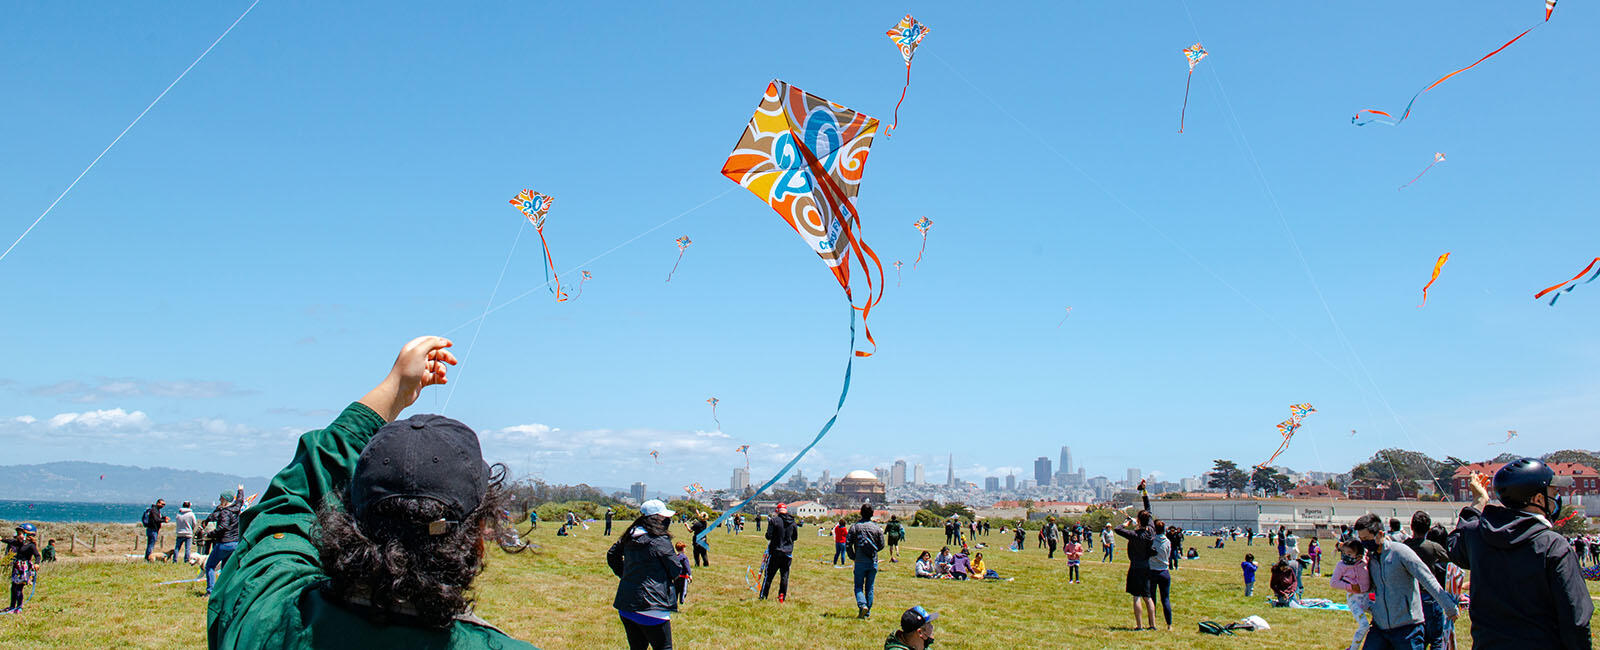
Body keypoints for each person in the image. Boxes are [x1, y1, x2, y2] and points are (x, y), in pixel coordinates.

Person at [205, 336, 536, 648]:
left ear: (346, 523)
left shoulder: (267, 621)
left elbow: (284, 510)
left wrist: (393, 390)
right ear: (478, 541)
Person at [1448, 462, 1593, 649]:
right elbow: (1576, 620)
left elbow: (1454, 545)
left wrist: (1478, 502)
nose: (1557, 497)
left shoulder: (1477, 536)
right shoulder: (1553, 545)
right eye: (1553, 492)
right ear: (1539, 499)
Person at [1355, 512, 1458, 650]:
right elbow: (1370, 587)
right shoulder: (1371, 559)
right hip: (1380, 627)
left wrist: (1449, 607)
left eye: (1367, 538)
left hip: (1408, 628)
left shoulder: (1401, 552)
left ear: (1380, 534)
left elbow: (1427, 579)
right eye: (1361, 539)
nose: (1365, 543)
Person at [609, 499, 679, 650]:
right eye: (664, 517)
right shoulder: (659, 540)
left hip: (627, 604)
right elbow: (675, 569)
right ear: (656, 519)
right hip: (652, 607)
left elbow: (612, 555)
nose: (668, 520)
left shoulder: (630, 535)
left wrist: (626, 575)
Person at [1403, 511, 1451, 650]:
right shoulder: (1432, 547)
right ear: (1428, 529)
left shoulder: (1405, 546)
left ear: (1411, 526)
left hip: (1411, 597)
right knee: (1436, 639)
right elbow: (1450, 557)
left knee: (1417, 638)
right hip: (1429, 596)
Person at [1113, 481, 1157, 630]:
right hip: (1147, 566)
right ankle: (1153, 625)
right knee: (1148, 597)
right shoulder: (1151, 531)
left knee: (1136, 597)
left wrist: (1127, 524)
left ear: (1138, 520)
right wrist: (1144, 492)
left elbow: (1117, 529)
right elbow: (1148, 508)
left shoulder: (1133, 534)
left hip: (1135, 567)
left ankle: (1139, 626)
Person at [201, 485, 244, 595]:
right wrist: (240, 490)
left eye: (221, 498)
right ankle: (225, 591)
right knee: (225, 568)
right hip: (235, 543)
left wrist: (210, 534)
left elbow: (223, 527)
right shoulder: (236, 509)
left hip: (225, 543)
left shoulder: (225, 512)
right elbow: (239, 501)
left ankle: (210, 591)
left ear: (225, 499)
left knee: (210, 566)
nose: (219, 500)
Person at [1332, 540, 1372, 650]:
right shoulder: (1341, 566)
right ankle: (1353, 648)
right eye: (1344, 553)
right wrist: (1350, 587)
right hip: (1354, 600)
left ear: (1358, 556)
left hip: (1367, 598)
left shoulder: (1364, 563)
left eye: (1349, 554)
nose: (1345, 556)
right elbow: (1333, 582)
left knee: (1380, 617)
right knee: (1364, 625)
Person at [848, 504, 885, 619]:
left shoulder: (855, 527)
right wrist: (873, 551)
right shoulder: (877, 528)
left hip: (860, 560)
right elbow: (882, 545)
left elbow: (848, 543)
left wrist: (852, 556)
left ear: (860, 513)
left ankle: (862, 605)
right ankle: (867, 612)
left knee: (858, 586)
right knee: (870, 587)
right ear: (872, 514)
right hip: (872, 560)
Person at [760, 502, 798, 602]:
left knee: (769, 576)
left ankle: (763, 596)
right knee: (784, 576)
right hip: (788, 553)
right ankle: (782, 596)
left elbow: (769, 536)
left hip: (775, 552)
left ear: (777, 511)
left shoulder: (774, 521)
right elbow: (795, 537)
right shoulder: (793, 522)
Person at [4, 523, 39, 613]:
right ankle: (12, 606)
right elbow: (10, 541)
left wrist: (36, 563)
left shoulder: (31, 546)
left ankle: (19, 607)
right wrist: (1, 539)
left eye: (20, 534)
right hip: (16, 568)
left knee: (19, 589)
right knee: (13, 588)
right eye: (18, 534)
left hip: (24, 569)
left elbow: (37, 556)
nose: (18, 536)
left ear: (28, 535)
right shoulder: (18, 543)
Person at [1147, 517, 1174, 631]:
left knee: (1152, 598)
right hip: (1164, 571)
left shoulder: (1151, 540)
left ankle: (1153, 623)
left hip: (1152, 571)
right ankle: (1169, 625)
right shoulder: (1168, 541)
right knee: (1166, 599)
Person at [671, 541, 691, 606]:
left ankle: (674, 602)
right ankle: (682, 601)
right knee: (683, 590)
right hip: (683, 577)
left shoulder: (675, 557)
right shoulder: (684, 558)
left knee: (676, 590)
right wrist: (690, 574)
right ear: (683, 549)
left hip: (676, 577)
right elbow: (687, 566)